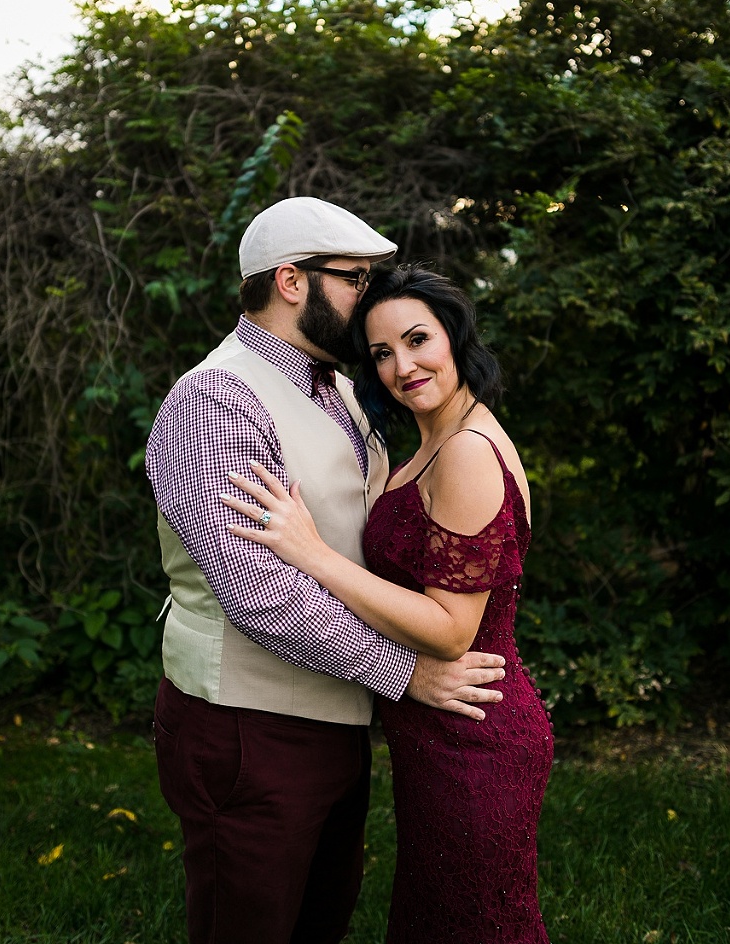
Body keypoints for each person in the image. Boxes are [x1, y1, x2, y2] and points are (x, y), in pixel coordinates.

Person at [145, 200, 506, 944]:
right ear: (290, 282)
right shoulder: (214, 402)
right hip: (248, 728)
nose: (368, 296)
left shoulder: (339, 388)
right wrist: (407, 673)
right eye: (354, 279)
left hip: (334, 716)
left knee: (318, 922)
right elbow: (261, 596)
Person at [225, 264, 554, 944]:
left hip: (472, 731)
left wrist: (311, 553)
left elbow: (451, 632)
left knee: (474, 925)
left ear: (456, 337)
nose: (402, 366)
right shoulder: (434, 438)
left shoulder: (464, 450)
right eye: (380, 353)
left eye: (417, 340)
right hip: (436, 733)